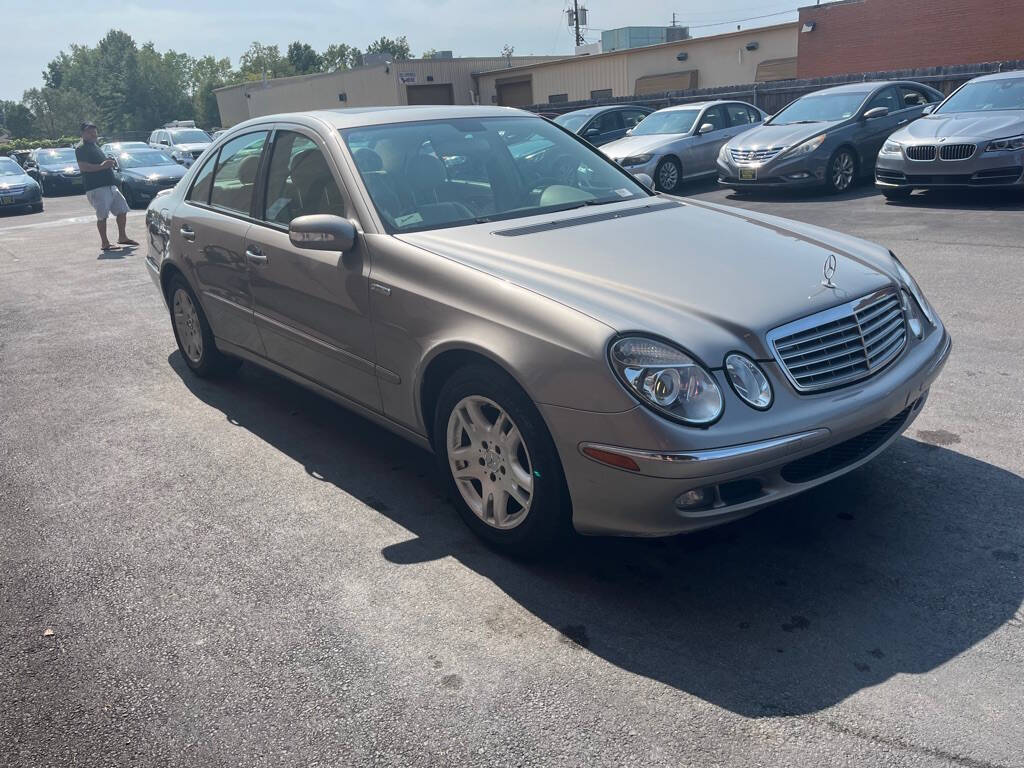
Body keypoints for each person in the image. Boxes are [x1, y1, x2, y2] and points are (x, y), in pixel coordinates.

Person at [74, 121, 138, 251]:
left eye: (94, 131)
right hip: (96, 187)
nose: (93, 134)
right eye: (89, 131)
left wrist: (108, 163)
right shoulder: (81, 148)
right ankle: (105, 243)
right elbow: (83, 167)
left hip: (109, 185)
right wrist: (103, 166)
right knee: (102, 215)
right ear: (83, 133)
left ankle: (122, 237)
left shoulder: (94, 145)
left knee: (122, 209)